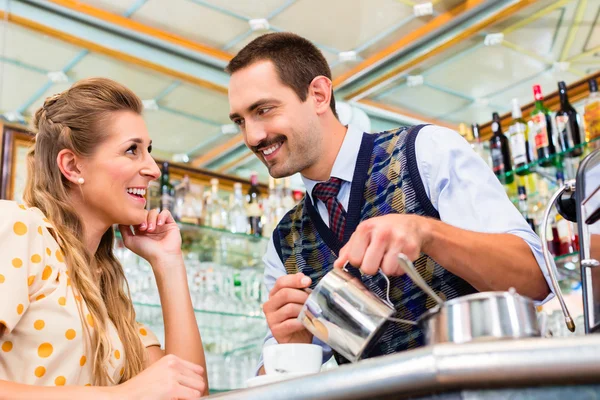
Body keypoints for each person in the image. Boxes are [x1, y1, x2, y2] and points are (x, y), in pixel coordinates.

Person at [226, 32, 554, 372]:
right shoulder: (285, 244)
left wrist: (428, 233)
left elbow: (537, 279)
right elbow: (276, 381)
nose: (252, 136)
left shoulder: (425, 152)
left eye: (263, 110)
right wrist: (290, 347)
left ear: (319, 94)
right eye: (240, 121)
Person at [0, 78, 207, 398]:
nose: (152, 169)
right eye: (132, 150)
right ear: (72, 165)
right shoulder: (20, 228)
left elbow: (187, 390)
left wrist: (169, 263)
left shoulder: (105, 285)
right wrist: (121, 396)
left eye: (148, 151)